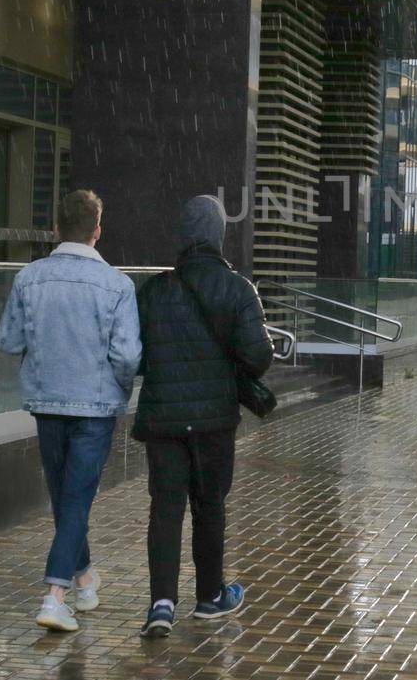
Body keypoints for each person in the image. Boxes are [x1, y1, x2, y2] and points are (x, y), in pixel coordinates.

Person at [0, 189, 142, 632]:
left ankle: (84, 578)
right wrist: (117, 386)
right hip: (95, 407)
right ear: (98, 230)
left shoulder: (30, 278)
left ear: (56, 228)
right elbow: (128, 356)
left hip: (46, 401)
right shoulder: (118, 285)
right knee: (75, 498)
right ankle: (56, 596)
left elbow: (8, 340)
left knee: (65, 497)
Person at [133, 195, 274, 637]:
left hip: (164, 420)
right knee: (209, 506)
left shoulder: (155, 290)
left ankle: (160, 604)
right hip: (214, 419)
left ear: (183, 236)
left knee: (166, 508)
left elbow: (137, 357)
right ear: (218, 235)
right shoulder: (237, 288)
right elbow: (258, 357)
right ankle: (210, 596)